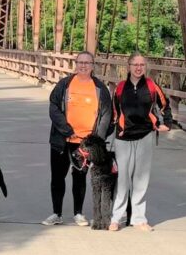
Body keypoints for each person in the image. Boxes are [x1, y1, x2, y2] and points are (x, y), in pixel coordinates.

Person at [43, 51, 113, 226]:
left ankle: (78, 214)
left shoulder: (100, 88)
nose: (83, 65)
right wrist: (66, 130)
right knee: (58, 177)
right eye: (80, 62)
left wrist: (96, 139)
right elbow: (53, 107)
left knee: (80, 177)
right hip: (62, 140)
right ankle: (56, 213)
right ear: (76, 64)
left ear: (93, 65)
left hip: (84, 144)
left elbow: (106, 115)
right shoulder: (65, 84)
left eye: (87, 63)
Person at [109, 53, 174, 232]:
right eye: (135, 64)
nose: (138, 68)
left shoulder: (152, 86)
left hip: (145, 135)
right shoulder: (120, 88)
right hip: (123, 136)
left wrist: (167, 124)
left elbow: (165, 104)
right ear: (128, 67)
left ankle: (139, 219)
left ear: (145, 67)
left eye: (142, 65)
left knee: (141, 179)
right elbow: (114, 112)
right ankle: (117, 218)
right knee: (122, 179)